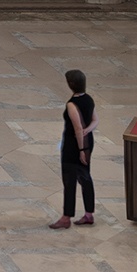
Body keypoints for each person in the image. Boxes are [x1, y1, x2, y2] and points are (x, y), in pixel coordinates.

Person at [48, 68, 97, 228]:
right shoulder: (89, 99)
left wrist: (82, 150)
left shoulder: (72, 104)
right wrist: (88, 130)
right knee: (85, 177)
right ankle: (89, 214)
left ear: (71, 84)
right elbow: (95, 120)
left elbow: (77, 129)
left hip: (74, 146)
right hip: (88, 142)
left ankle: (66, 217)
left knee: (70, 180)